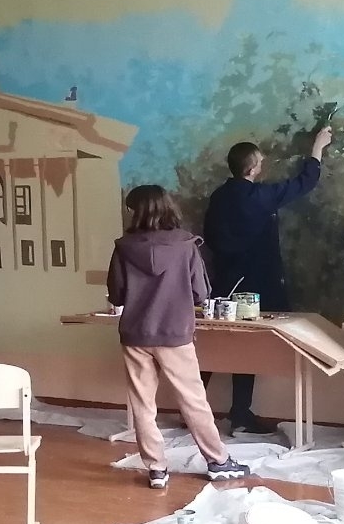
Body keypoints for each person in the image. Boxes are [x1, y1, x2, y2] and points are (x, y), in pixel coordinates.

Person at [107, 185, 251, 489]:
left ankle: (156, 469)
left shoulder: (124, 247)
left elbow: (117, 294)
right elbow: (201, 293)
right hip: (175, 333)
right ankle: (218, 461)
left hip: (135, 335)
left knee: (142, 405)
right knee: (193, 400)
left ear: (135, 211)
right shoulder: (186, 245)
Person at [199, 125, 332, 434]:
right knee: (248, 350)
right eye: (260, 161)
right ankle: (240, 415)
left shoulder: (218, 197)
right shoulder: (259, 197)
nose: (263, 164)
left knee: (211, 347)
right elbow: (305, 181)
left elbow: (210, 238)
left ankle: (194, 411)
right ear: (252, 168)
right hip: (255, 287)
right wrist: (317, 148)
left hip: (224, 283)